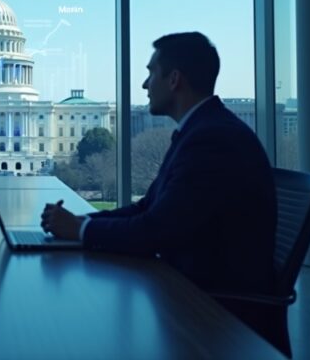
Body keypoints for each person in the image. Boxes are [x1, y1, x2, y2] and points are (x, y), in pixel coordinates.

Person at [40, 32, 280, 342]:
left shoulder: (211, 139)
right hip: (190, 291)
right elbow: (146, 208)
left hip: (218, 318)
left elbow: (154, 231)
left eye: (151, 73)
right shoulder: (200, 130)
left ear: (174, 79)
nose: (145, 85)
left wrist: (81, 230)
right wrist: (81, 221)